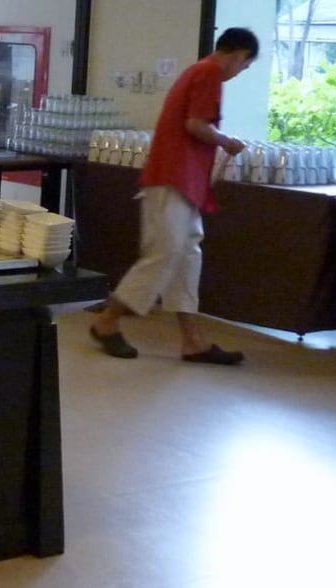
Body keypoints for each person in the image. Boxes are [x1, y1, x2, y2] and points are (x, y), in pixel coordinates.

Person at [88, 27, 259, 364]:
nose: (241, 71)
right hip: (173, 177)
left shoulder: (198, 71)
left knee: (186, 257)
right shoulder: (209, 73)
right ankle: (107, 321)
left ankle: (192, 341)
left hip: (184, 180)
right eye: (245, 64)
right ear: (240, 54)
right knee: (165, 254)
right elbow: (196, 125)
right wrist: (227, 141)